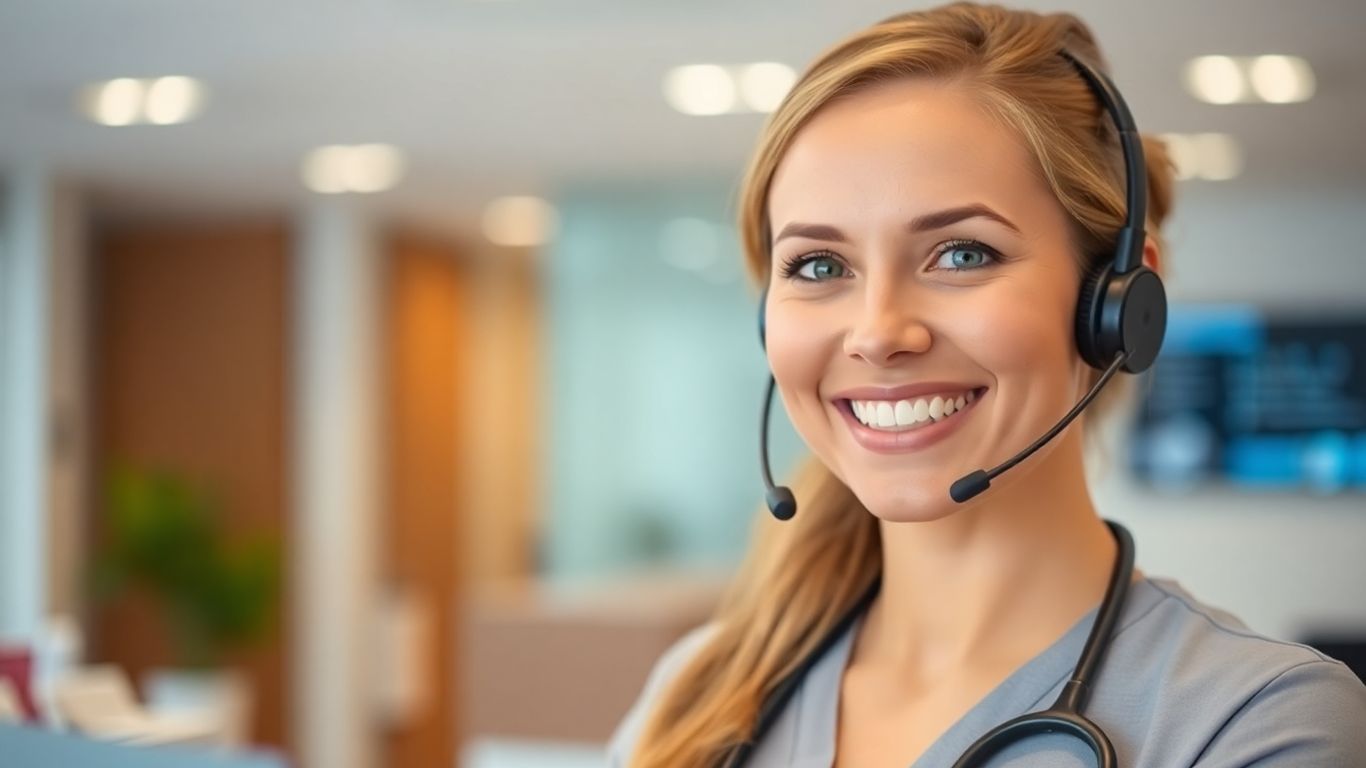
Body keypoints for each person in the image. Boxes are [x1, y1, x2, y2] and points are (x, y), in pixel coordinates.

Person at [608, 3, 1366, 767]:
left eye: (962, 254)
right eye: (819, 267)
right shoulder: (696, 694)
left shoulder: (1257, 723)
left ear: (1116, 302)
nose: (877, 332)